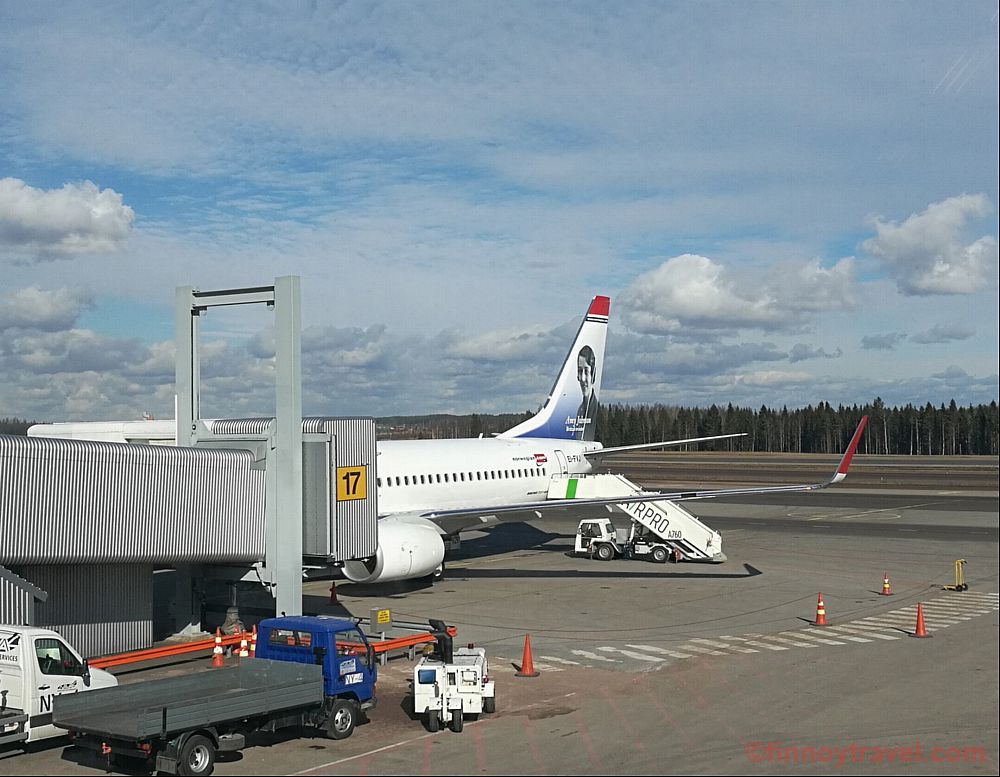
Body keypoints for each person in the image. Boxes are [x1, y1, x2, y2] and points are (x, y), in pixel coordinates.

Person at [575, 345, 599, 440]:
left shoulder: (596, 410)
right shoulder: (580, 410)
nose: (582, 378)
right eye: (580, 371)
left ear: (593, 374)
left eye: (586, 371)